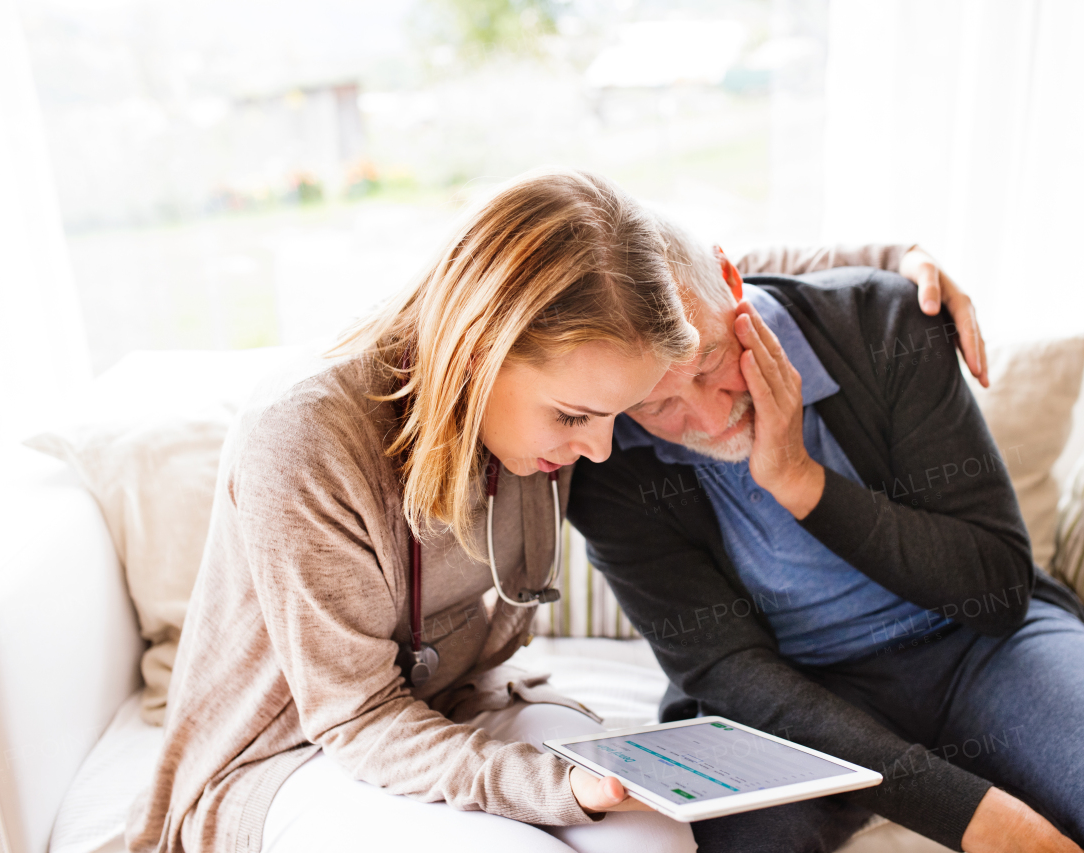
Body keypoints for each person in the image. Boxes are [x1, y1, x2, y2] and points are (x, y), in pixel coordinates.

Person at [566, 215, 1084, 853]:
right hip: (794, 689)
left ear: (730, 278)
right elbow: (730, 674)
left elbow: (997, 587)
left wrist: (802, 482)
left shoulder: (882, 318)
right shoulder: (605, 461)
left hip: (984, 645)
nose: (707, 415)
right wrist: (977, 816)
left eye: (713, 360)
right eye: (656, 402)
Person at [125, 169, 703, 853]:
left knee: (655, 840)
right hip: (296, 751)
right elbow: (358, 718)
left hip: (461, 701)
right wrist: (550, 786)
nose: (599, 450)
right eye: (574, 415)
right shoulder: (302, 436)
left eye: (615, 415)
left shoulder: (555, 397)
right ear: (477, 352)